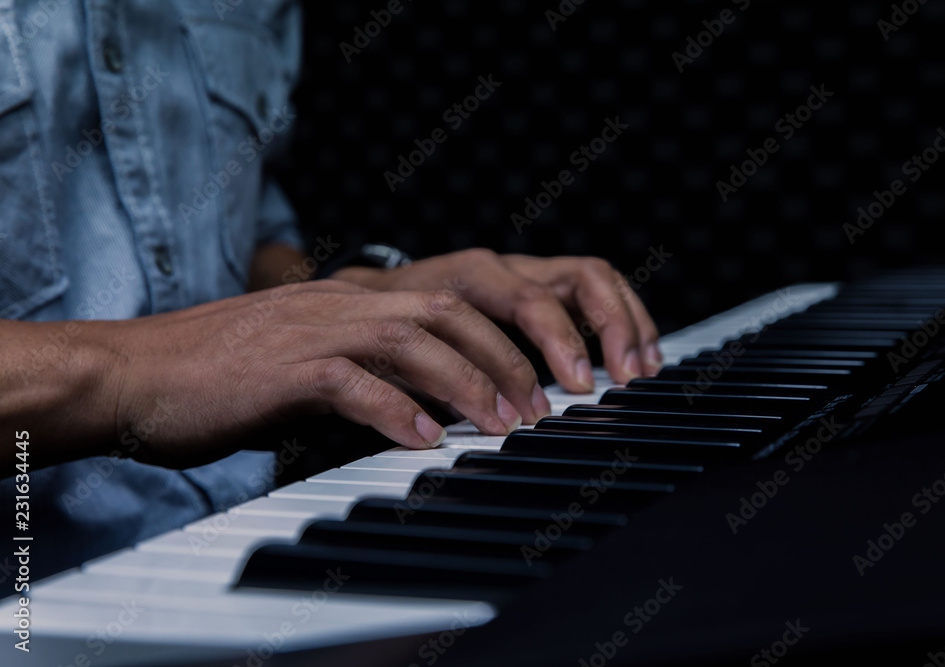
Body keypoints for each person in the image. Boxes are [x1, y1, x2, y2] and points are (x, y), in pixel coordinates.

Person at [0, 0, 661, 577]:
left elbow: (244, 233)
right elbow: (168, 351)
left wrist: (349, 302)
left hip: (239, 549)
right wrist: (126, 373)